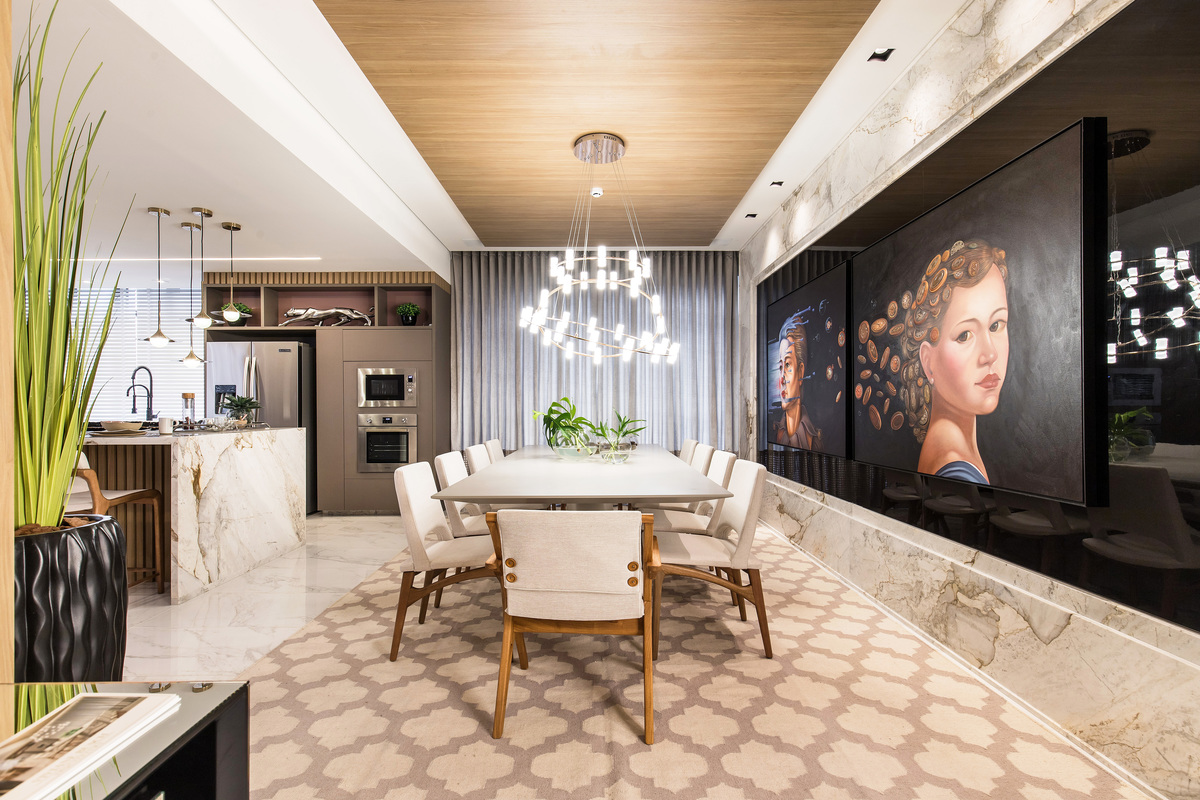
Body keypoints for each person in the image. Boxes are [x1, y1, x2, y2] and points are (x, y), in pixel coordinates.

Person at [897, 238, 1009, 483]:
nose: (990, 354)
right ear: (928, 363)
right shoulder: (957, 471)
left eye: (996, 325)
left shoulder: (948, 454)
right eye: (964, 335)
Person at [773, 311, 823, 450]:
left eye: (787, 365)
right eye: (780, 367)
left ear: (800, 372)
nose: (782, 379)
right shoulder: (776, 432)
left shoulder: (814, 440)